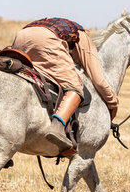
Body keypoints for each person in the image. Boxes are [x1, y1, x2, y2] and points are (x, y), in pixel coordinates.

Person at [11, 18, 119, 151]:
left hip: (22, 35)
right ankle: (57, 126)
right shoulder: (83, 38)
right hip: (46, 39)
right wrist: (113, 103)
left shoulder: (60, 29)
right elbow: (99, 80)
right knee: (75, 86)